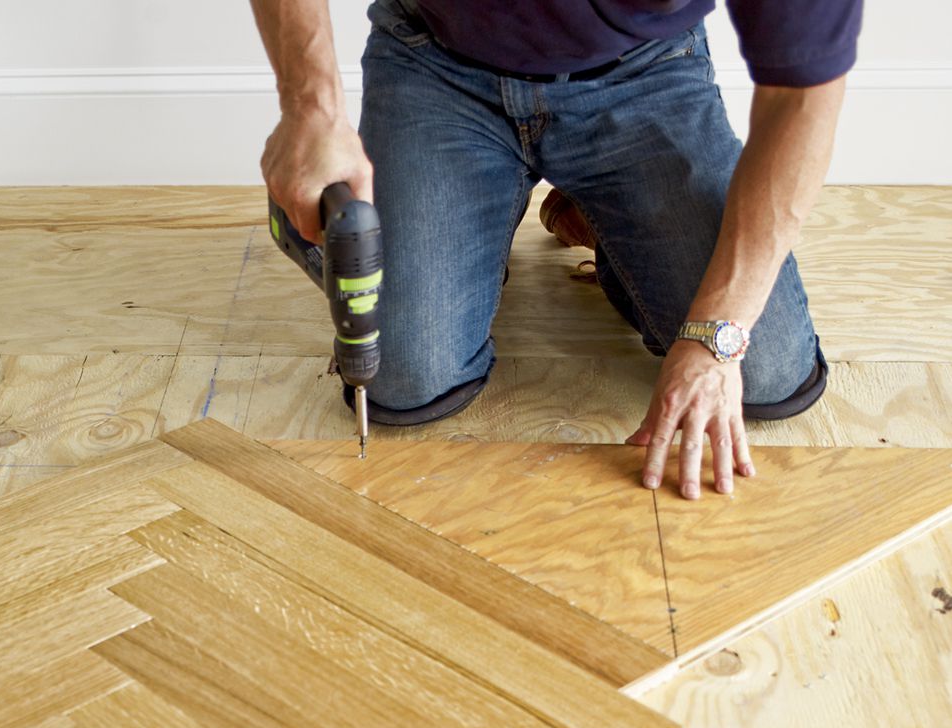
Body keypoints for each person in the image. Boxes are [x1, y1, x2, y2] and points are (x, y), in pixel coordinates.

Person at [250, 0, 858, 498]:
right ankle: (332, 197)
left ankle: (597, 218)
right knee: (404, 377)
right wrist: (311, 111)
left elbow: (802, 98)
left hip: (643, 73)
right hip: (437, 62)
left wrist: (718, 330)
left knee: (767, 370)